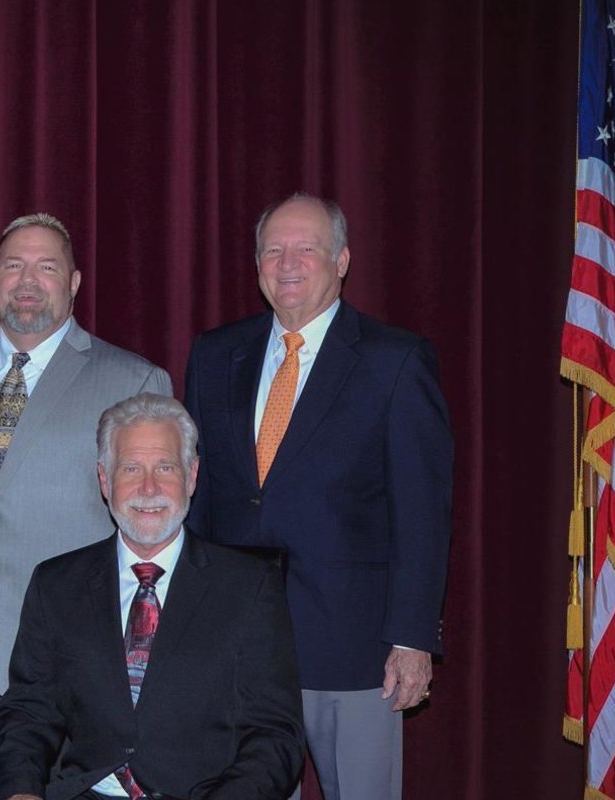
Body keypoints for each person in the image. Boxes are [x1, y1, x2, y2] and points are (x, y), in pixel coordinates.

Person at [183, 194, 452, 800]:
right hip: (234, 647)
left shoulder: (395, 361)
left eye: (307, 248)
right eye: (273, 250)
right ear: (256, 265)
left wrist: (411, 639)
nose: (288, 263)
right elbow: (197, 498)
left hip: (352, 648)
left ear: (343, 260)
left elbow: (422, 514)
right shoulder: (214, 355)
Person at [0, 213, 170, 799]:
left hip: (75, 653)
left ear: (73, 282)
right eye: (14, 265)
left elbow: (152, 526)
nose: (28, 280)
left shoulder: (132, 380)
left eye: (46, 267)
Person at [0, 393, 302, 800]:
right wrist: (20, 793)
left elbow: (275, 735)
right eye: (131, 468)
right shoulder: (57, 585)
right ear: (104, 480)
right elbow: (28, 714)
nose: (149, 487)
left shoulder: (251, 587)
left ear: (191, 476)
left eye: (165, 467)